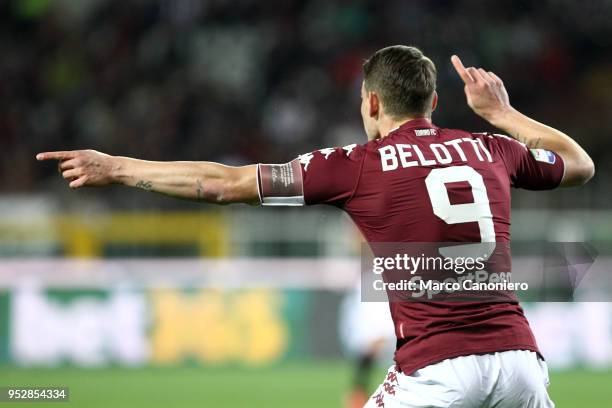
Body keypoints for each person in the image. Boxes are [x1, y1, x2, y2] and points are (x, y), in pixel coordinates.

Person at [37, 45, 594, 407]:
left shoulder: (355, 165)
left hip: (438, 370)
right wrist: (503, 114)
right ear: (433, 101)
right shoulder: (491, 148)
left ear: (372, 101)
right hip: (521, 364)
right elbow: (578, 165)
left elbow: (225, 184)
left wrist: (117, 167)